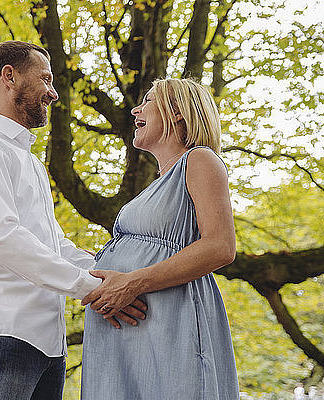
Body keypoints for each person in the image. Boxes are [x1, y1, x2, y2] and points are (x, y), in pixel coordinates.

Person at [0, 41, 147, 400]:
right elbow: (2, 238)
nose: (53, 94)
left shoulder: (31, 163)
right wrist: (92, 287)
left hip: (49, 345)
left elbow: (54, 244)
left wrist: (112, 273)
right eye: (46, 80)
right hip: (0, 333)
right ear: (10, 77)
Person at [80, 78, 239, 399]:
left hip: (170, 325)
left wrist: (133, 282)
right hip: (131, 337)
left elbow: (221, 246)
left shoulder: (199, 160)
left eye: (148, 101)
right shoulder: (156, 186)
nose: (136, 109)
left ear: (178, 111)